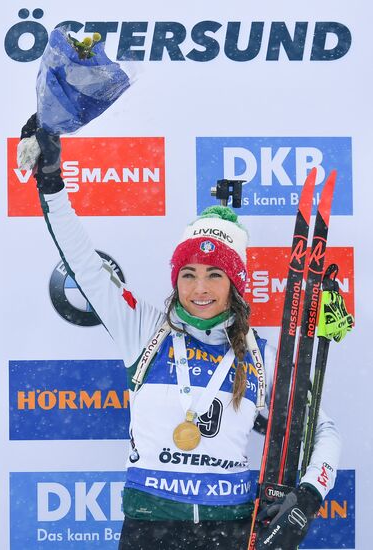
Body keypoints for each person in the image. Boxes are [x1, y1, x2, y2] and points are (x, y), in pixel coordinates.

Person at [19, 116, 341, 550]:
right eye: (188, 274)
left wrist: (308, 496)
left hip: (229, 531)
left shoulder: (260, 356)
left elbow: (324, 432)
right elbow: (83, 262)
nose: (200, 288)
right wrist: (52, 182)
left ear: (236, 285)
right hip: (148, 529)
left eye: (214, 275)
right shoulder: (145, 329)